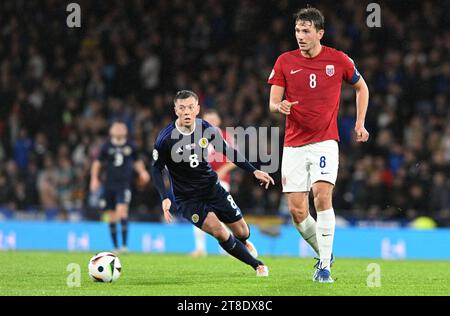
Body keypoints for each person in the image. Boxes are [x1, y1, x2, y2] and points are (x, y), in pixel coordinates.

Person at [268, 7, 369, 283]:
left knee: (322, 197)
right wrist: (281, 106)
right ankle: (325, 251)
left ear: (319, 33)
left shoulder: (338, 60)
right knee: (297, 212)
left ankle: (324, 265)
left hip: (325, 141)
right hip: (293, 145)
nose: (300, 36)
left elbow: (362, 87)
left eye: (306, 31)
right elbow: (272, 102)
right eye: (298, 30)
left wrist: (360, 123)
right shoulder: (284, 61)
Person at [151, 90, 274, 277]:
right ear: (175, 110)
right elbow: (156, 168)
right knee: (219, 231)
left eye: (190, 107)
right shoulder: (165, 138)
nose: (186, 112)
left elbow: (228, 151)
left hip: (212, 189)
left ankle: (243, 242)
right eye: (182, 108)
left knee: (242, 231)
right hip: (188, 198)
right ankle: (257, 265)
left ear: (197, 109)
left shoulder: (206, 129)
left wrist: (253, 170)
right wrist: (164, 197)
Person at [191, 110, 258, 258]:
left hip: (220, 181)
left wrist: (221, 171)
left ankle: (227, 249)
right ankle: (200, 248)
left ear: (218, 121)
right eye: (208, 120)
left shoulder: (225, 136)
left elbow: (234, 159)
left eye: (213, 120)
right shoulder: (196, 137)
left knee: (223, 214)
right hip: (201, 182)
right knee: (198, 212)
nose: (210, 122)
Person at [90, 122, 150, 253]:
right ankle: (115, 246)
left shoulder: (131, 145)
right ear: (111, 130)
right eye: (115, 127)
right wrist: (94, 179)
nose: (118, 129)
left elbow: (137, 161)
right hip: (109, 185)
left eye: (121, 127)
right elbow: (97, 163)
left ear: (125, 130)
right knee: (111, 216)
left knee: (122, 212)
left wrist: (142, 171)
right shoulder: (106, 146)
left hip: (124, 184)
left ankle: (124, 246)